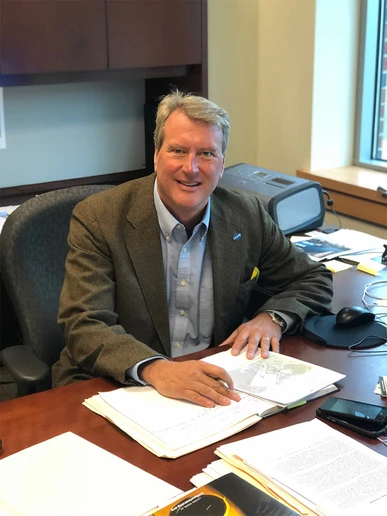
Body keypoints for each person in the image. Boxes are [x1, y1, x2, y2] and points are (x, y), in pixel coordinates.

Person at [52, 90, 333, 407]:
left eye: (207, 154)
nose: (192, 167)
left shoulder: (247, 215)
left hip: (213, 383)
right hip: (117, 384)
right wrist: (159, 370)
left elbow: (313, 278)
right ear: (156, 154)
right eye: (178, 150)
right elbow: (85, 325)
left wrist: (272, 319)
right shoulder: (100, 217)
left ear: (223, 164)